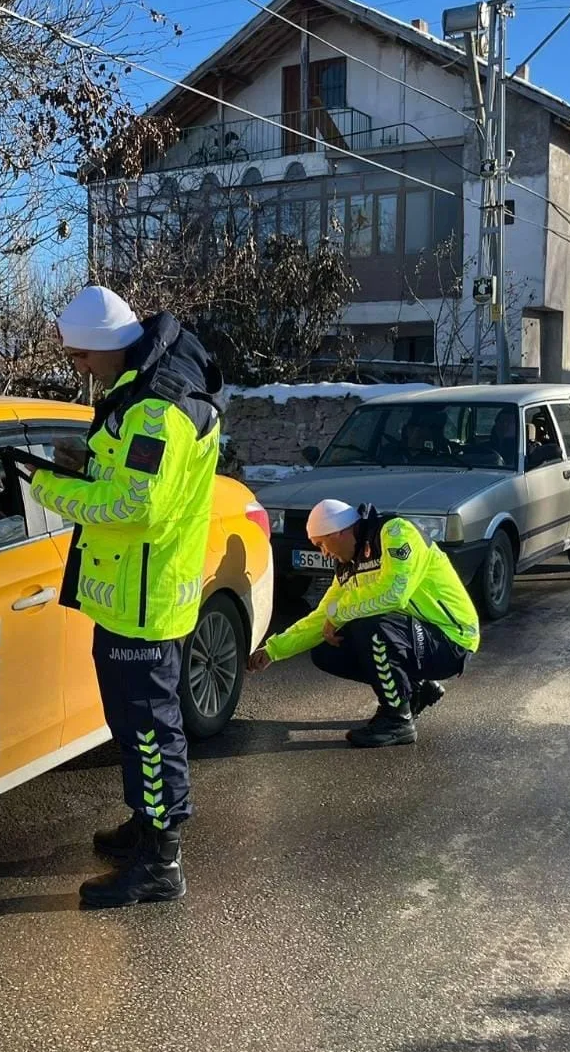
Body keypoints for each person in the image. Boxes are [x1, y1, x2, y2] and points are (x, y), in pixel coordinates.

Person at [29, 284, 224, 908]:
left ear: (109, 345)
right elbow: (124, 479)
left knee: (149, 732)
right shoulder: (138, 391)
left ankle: (161, 862)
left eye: (82, 356)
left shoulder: (158, 410)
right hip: (132, 595)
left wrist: (50, 491)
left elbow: (135, 507)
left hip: (146, 603)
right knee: (135, 723)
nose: (79, 368)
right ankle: (146, 824)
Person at [249, 499, 480, 748]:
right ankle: (414, 690)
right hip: (416, 636)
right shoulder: (348, 565)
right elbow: (323, 616)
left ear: (338, 532)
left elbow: (395, 592)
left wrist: (339, 615)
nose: (323, 553)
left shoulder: (395, 532)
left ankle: (397, 720)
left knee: (369, 625)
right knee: (326, 651)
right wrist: (274, 650)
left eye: (321, 544)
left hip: (452, 638)